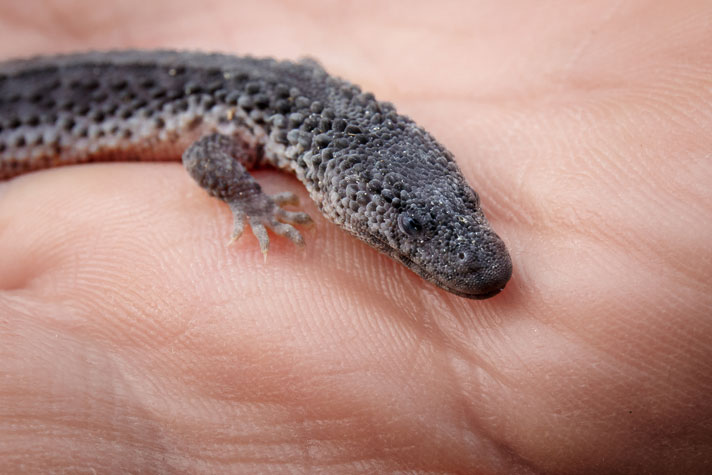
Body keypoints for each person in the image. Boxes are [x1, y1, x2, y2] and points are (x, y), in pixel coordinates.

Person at [1, 1, 710, 472]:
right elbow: (202, 157)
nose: (467, 250)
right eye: (413, 227)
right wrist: (251, 204)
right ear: (338, 185)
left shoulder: (315, 123)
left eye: (458, 207)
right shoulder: (259, 128)